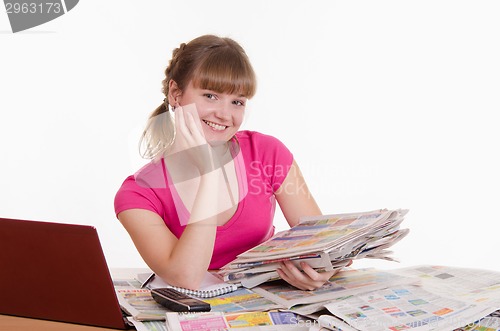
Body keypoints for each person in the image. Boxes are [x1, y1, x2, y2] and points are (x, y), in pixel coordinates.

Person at [115, 34, 341, 291]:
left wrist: (323, 272)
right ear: (176, 94)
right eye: (210, 96)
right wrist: (209, 172)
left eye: (237, 102)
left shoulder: (267, 153)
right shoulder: (138, 194)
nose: (224, 115)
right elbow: (186, 276)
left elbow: (325, 245)